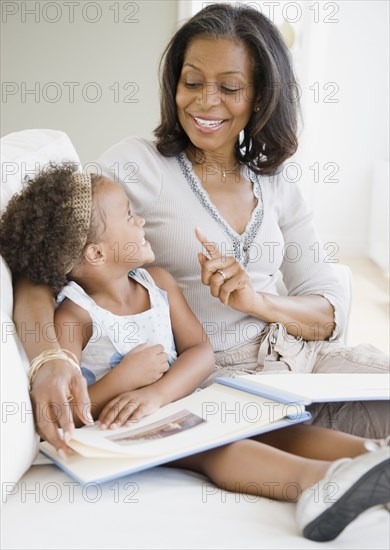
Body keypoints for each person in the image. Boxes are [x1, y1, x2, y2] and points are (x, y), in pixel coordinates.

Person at [11, 3, 389, 449]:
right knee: (346, 443)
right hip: (217, 377)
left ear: (262, 96)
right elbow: (41, 262)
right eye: (192, 83)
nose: (205, 101)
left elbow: (330, 308)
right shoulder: (137, 166)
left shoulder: (276, 181)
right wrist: (49, 357)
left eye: (230, 87)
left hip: (306, 356)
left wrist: (259, 301)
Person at [1, 164, 389, 543]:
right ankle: (318, 484)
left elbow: (200, 351)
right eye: (130, 215)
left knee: (276, 427)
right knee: (218, 451)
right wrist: (123, 382)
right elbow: (71, 411)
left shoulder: (158, 283)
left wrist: (158, 392)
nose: (140, 221)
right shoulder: (75, 314)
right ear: (97, 254)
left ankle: (370, 457)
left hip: (182, 403)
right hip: (133, 433)